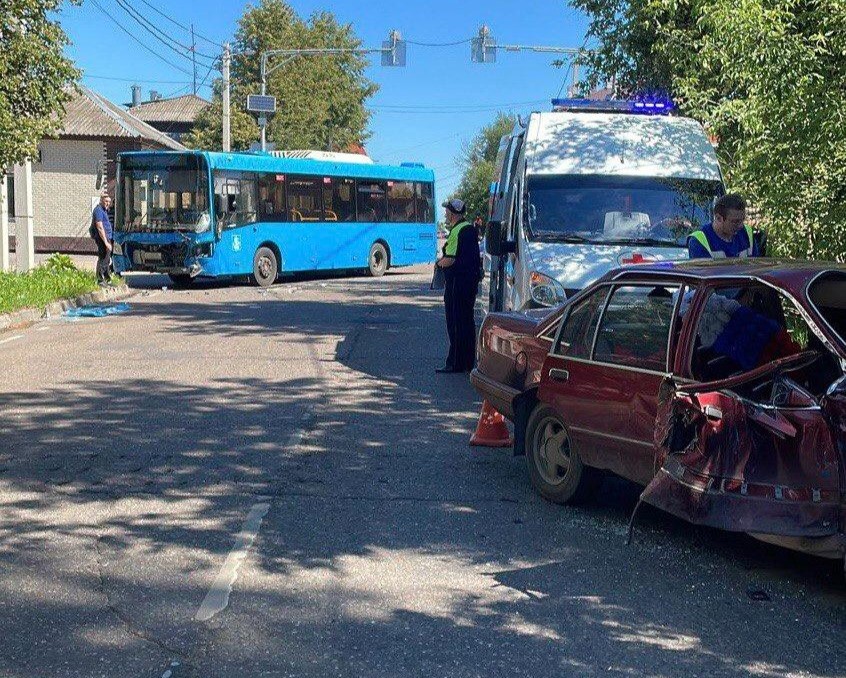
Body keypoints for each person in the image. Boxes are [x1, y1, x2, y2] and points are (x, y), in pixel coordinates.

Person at [435, 199, 482, 373]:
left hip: (457, 284)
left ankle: (455, 363)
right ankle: (467, 362)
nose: (445, 213)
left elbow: (451, 258)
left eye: (447, 211)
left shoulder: (457, 231)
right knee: (467, 322)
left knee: (455, 323)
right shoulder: (469, 228)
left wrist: (439, 264)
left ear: (453, 213)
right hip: (469, 283)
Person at [688, 193, 759, 259]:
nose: (741, 225)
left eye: (742, 220)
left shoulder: (747, 233)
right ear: (719, 218)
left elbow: (757, 268)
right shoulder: (699, 241)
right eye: (735, 222)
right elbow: (703, 271)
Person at [90, 193, 114, 285]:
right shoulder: (98, 210)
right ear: (101, 201)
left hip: (107, 237)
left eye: (109, 202)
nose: (107, 203)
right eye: (106, 201)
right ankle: (100, 280)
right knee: (103, 258)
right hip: (102, 238)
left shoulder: (104, 210)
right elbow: (99, 226)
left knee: (107, 259)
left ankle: (107, 279)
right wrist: (105, 242)